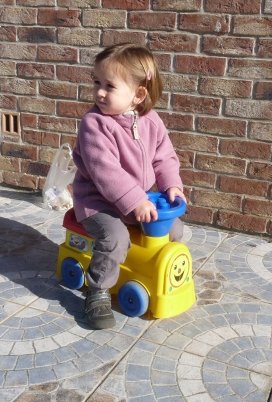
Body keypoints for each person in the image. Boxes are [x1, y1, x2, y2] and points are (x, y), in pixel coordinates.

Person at [72, 43, 186, 329]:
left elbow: (164, 157)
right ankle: (98, 290)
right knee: (115, 238)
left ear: (138, 95)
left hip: (139, 200)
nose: (99, 92)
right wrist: (135, 201)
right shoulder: (94, 124)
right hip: (97, 203)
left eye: (109, 86)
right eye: (97, 82)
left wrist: (172, 184)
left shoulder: (152, 121)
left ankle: (151, 274)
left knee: (174, 229)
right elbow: (105, 171)